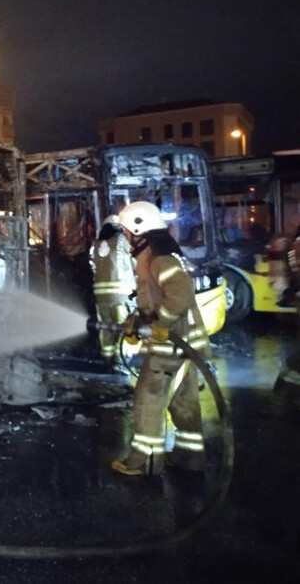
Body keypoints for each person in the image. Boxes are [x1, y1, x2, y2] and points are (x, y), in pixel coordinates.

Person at [111, 201, 211, 476]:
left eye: (126, 231)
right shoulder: (157, 255)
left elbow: (179, 297)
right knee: (183, 402)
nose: (125, 237)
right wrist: (135, 322)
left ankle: (144, 461)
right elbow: (153, 299)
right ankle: (189, 457)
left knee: (148, 400)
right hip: (185, 343)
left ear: (138, 229)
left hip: (172, 344)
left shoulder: (160, 258)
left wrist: (159, 324)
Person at [89, 215, 136, 371]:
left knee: (107, 328)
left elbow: (92, 267)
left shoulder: (95, 245)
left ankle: (108, 360)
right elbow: (136, 262)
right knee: (125, 327)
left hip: (101, 295)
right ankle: (121, 362)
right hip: (122, 295)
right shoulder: (123, 241)